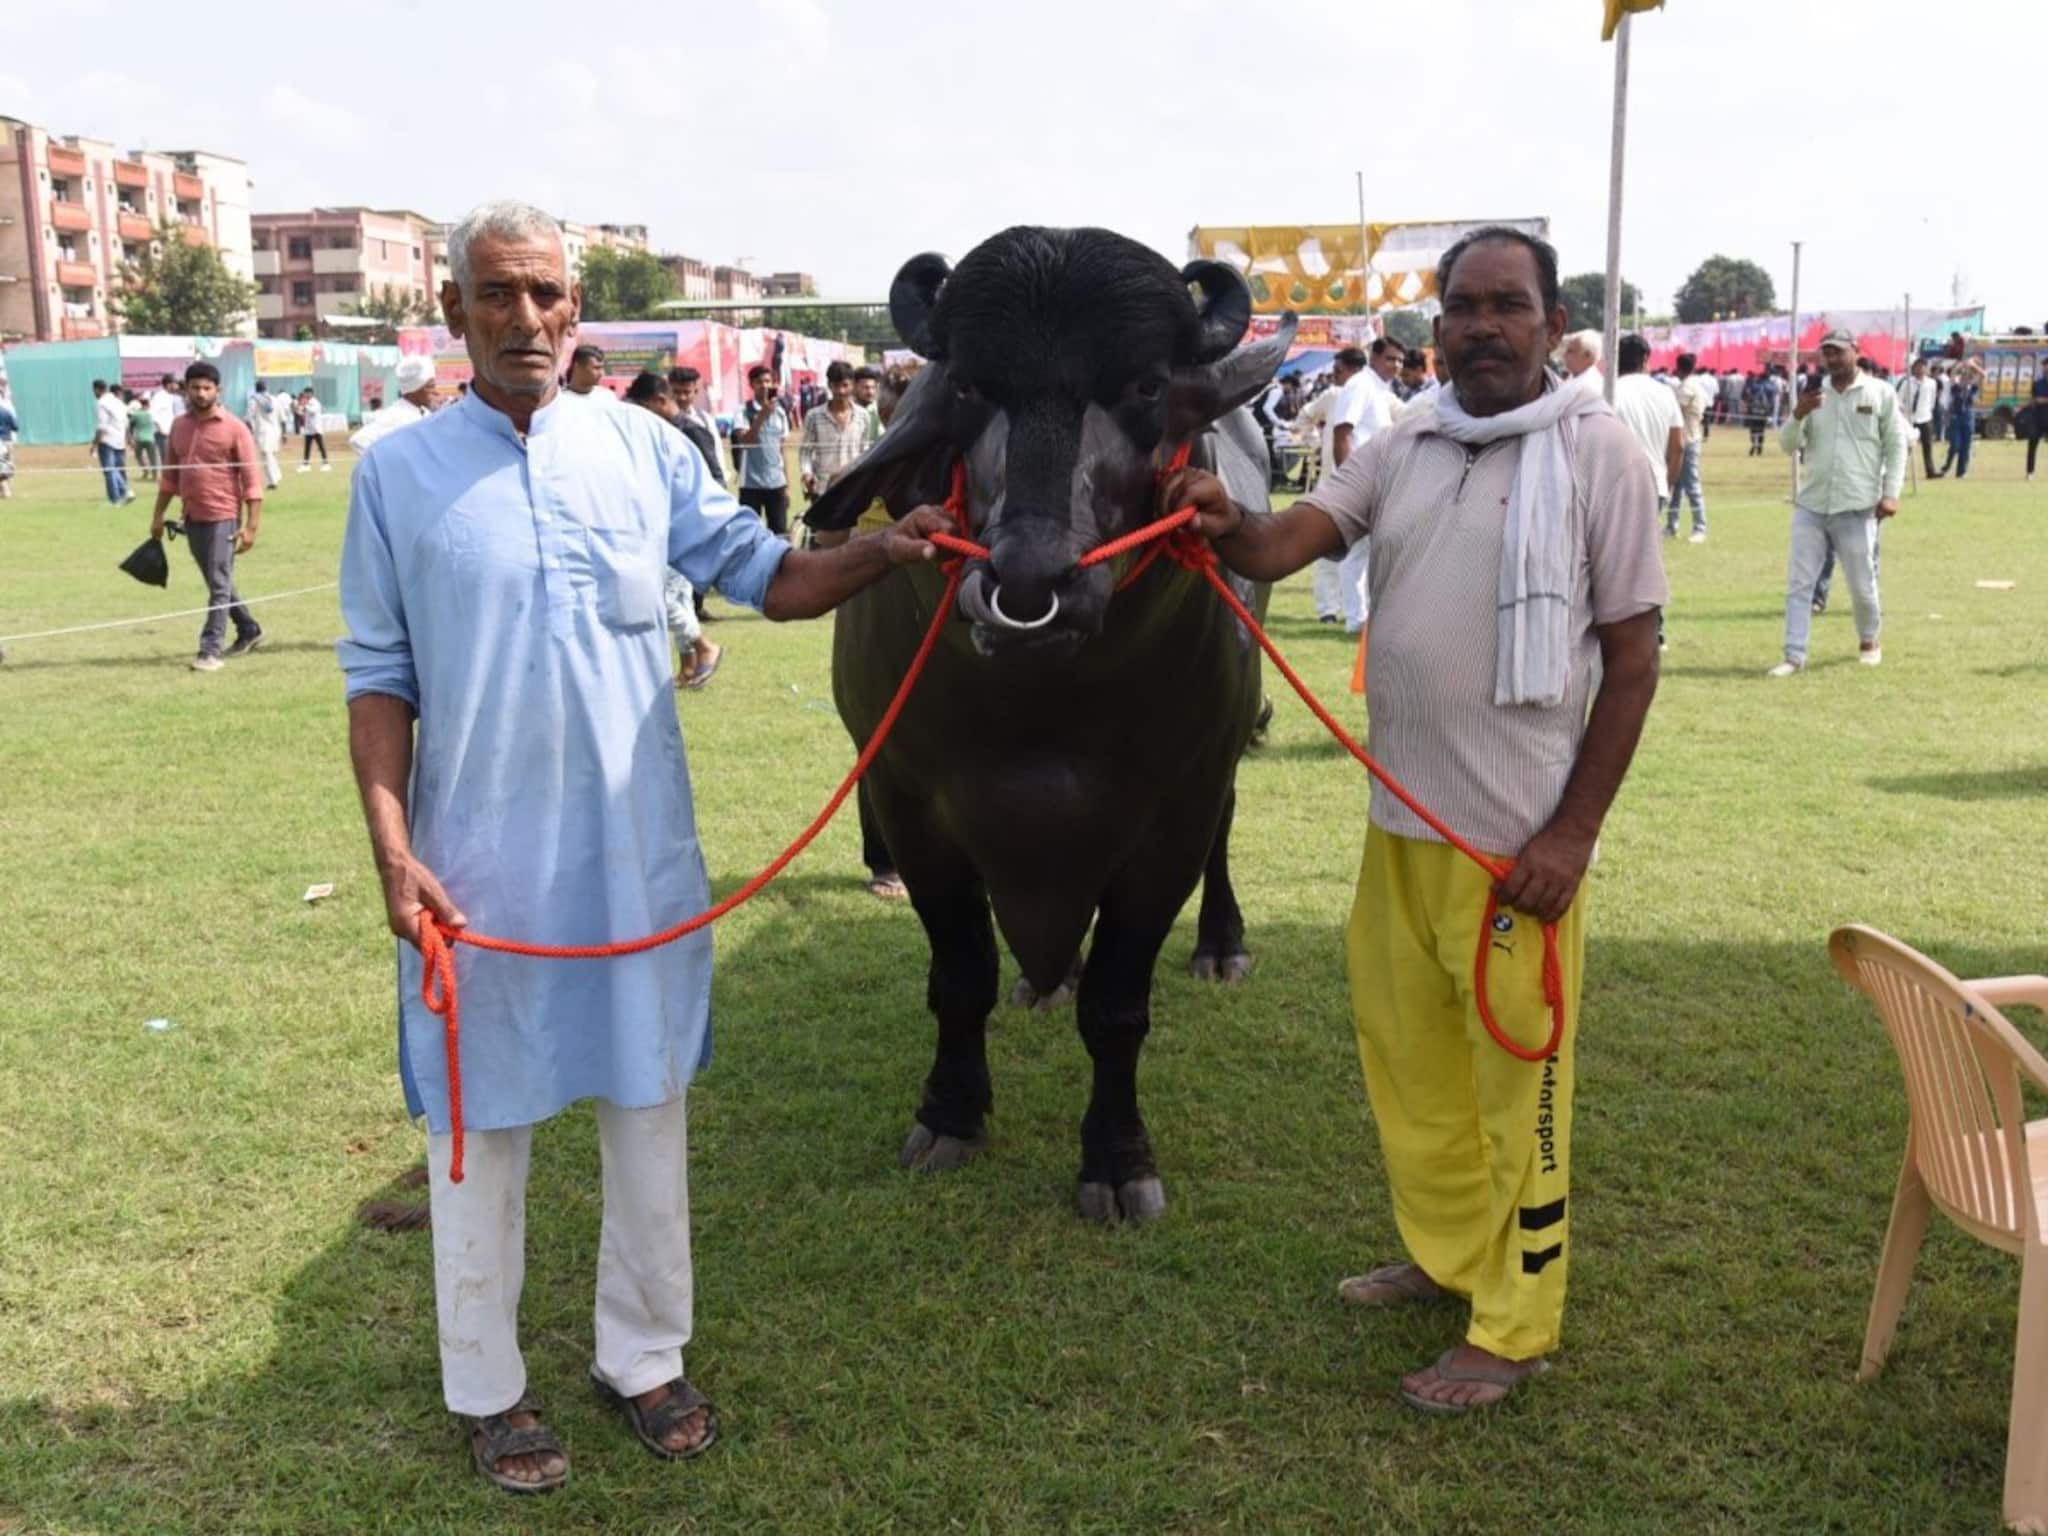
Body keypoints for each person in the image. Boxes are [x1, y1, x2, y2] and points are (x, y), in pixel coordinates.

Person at [336, 201, 951, 1494]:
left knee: (647, 1103)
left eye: (545, 294)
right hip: (475, 868)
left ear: (575, 310)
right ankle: (488, 1388)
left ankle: (643, 1354)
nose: (525, 319)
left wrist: (883, 552)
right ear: (453, 313)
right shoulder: (396, 474)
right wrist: (392, 851)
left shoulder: (643, 447)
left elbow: (765, 573)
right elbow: (379, 677)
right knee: (479, 1125)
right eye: (496, 294)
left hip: (634, 859)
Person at [1159, 225, 1663, 1413]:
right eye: (1462, 307)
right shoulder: (1408, 439)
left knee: (1517, 1094)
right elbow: (1285, 542)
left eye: (1506, 305)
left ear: (1550, 325)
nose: (1481, 326)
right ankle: (1446, 1255)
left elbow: (1634, 660)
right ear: (1435, 327)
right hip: (1398, 827)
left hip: (1515, 850)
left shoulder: (1595, 449)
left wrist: (1569, 838)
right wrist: (1221, 515)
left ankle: (1513, 1324)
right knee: (1413, 1068)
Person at [1768, 328, 1903, 677]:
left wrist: (1891, 493)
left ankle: (1869, 640)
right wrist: (1798, 414)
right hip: (1812, 504)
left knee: (1861, 584)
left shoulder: (1880, 393)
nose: (1831, 359)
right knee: (1800, 584)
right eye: (1826, 353)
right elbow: (1786, 445)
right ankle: (1794, 655)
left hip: (1857, 504)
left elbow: (1895, 446)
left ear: (1855, 351)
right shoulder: (1815, 396)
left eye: (1838, 352)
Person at [151, 361, 264, 672]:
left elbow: (252, 481)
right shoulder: (178, 426)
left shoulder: (235, 428)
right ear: (185, 390)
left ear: (218, 390)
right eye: (195, 388)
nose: (201, 393)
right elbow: (169, 478)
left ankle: (209, 650)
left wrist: (251, 527)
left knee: (218, 583)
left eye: (207, 388)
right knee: (218, 580)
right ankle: (249, 628)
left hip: (223, 515)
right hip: (191, 515)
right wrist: (158, 515)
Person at [1309, 346, 1374, 624]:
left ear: (1353, 370)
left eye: (1338, 370)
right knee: (1326, 552)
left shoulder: (1371, 391)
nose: (1334, 376)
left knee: (1360, 552)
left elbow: (1403, 413)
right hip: (1332, 482)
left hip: (1357, 482)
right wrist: (1313, 439)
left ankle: (1358, 612)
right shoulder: (1331, 395)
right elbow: (1305, 415)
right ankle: (1327, 609)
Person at [798, 360, 873, 509]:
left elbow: (864, 451)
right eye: (836, 386)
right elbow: (805, 451)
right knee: (821, 525)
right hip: (822, 489)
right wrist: (807, 473)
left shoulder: (863, 415)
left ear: (852, 385)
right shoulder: (814, 416)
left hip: (853, 488)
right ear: (829, 385)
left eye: (845, 385)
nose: (841, 391)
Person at [729, 363, 791, 535]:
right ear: (752, 384)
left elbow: (782, 450)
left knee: (779, 533)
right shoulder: (742, 411)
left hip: (776, 483)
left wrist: (787, 486)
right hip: (750, 484)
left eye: (767, 381)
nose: (764, 385)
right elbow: (746, 441)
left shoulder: (780, 412)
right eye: (759, 382)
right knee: (749, 533)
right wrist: (762, 415)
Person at [350, 355, 439, 455]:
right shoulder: (397, 414)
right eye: (430, 386)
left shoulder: (423, 413)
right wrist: (389, 462)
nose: (436, 392)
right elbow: (359, 440)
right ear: (414, 389)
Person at [1665, 353, 1709, 542]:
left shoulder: (1687, 387)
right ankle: (1671, 525)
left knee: (1691, 485)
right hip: (1688, 438)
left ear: (1679, 367)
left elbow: (1672, 408)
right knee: (1676, 485)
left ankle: (1700, 527)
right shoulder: (1695, 384)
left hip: (1687, 440)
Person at [1936, 356, 1984, 479]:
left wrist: (1973, 365)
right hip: (1956, 418)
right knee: (1955, 445)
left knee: (1966, 447)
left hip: (1968, 418)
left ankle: (1961, 472)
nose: (1965, 379)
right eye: (1963, 377)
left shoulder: (1972, 389)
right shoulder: (1956, 387)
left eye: (1968, 377)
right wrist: (1961, 365)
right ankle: (1946, 466)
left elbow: (1982, 375)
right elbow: (1952, 374)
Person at [91, 380, 135, 504]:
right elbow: (126, 423)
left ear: (97, 389)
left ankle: (117, 498)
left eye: (94, 391)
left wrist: (94, 444)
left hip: (107, 440)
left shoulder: (101, 403)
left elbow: (102, 426)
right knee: (117, 469)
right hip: (120, 440)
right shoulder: (118, 402)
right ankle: (124, 494)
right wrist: (129, 439)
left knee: (109, 470)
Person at [1896, 357, 1939, 479]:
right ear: (1913, 368)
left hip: (1925, 417)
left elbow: (1932, 400)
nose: (1920, 369)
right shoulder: (1907, 382)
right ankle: (1900, 472)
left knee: (1927, 446)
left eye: (1922, 367)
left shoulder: (1931, 383)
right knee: (1907, 446)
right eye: (1917, 367)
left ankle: (1930, 471)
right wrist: (1903, 410)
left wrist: (1928, 411)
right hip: (1910, 419)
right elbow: (1898, 399)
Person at [245, 381, 284, 488]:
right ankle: (277, 476)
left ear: (256, 389)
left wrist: (249, 430)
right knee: (272, 455)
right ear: (266, 388)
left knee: (266, 455)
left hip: (263, 432)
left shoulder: (254, 400)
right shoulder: (275, 399)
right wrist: (284, 433)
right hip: (276, 431)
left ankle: (272, 481)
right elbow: (282, 417)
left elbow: (249, 416)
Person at [126, 387, 160, 480]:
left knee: (138, 456)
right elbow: (157, 424)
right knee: (153, 457)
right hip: (151, 439)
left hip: (139, 438)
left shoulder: (136, 414)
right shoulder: (151, 413)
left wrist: (130, 439)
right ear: (148, 404)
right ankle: (155, 475)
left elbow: (130, 427)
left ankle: (145, 470)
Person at [298, 388, 330, 471]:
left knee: (320, 446)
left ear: (311, 393)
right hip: (308, 429)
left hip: (316, 428)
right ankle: (306, 464)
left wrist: (305, 406)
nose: (305, 395)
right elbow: (300, 412)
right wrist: (300, 408)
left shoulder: (315, 402)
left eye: (306, 393)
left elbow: (313, 411)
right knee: (307, 447)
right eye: (305, 393)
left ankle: (326, 463)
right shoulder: (307, 402)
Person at [2028, 360, 2048, 482]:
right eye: (2045, 367)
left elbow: (2040, 400)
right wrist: (2037, 400)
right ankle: (2030, 472)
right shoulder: (2037, 383)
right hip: (2038, 418)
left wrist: (2043, 400)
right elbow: (2033, 400)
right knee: (2032, 445)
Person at [0, 384, 17, 500]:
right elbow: (15, 427)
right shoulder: (7, 411)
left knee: (2, 467)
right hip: (7, 441)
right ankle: (8, 489)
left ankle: (5, 491)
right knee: (7, 465)